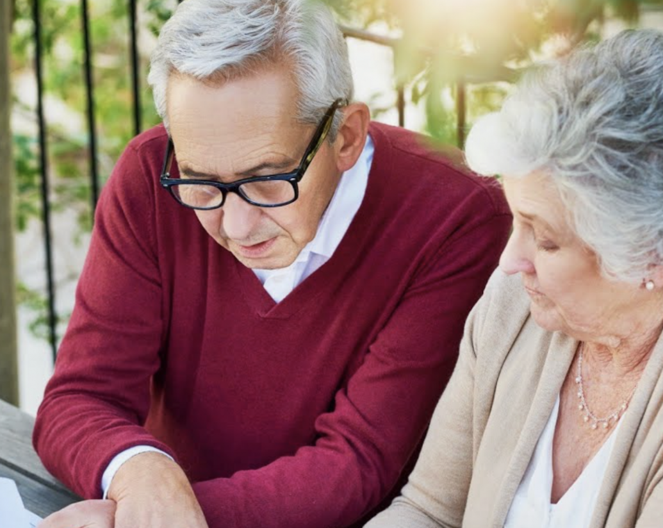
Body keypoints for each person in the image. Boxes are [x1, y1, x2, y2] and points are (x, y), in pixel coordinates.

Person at [32, 1, 511, 527]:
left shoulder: (457, 215)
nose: (236, 227)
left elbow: (357, 463)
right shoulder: (150, 176)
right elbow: (79, 397)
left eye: (267, 179)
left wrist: (149, 517)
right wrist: (139, 471)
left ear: (345, 136)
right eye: (201, 181)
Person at [366, 29, 663, 528]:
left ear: (653, 257)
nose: (510, 261)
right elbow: (429, 510)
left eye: (546, 239)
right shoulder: (514, 305)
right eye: (518, 221)